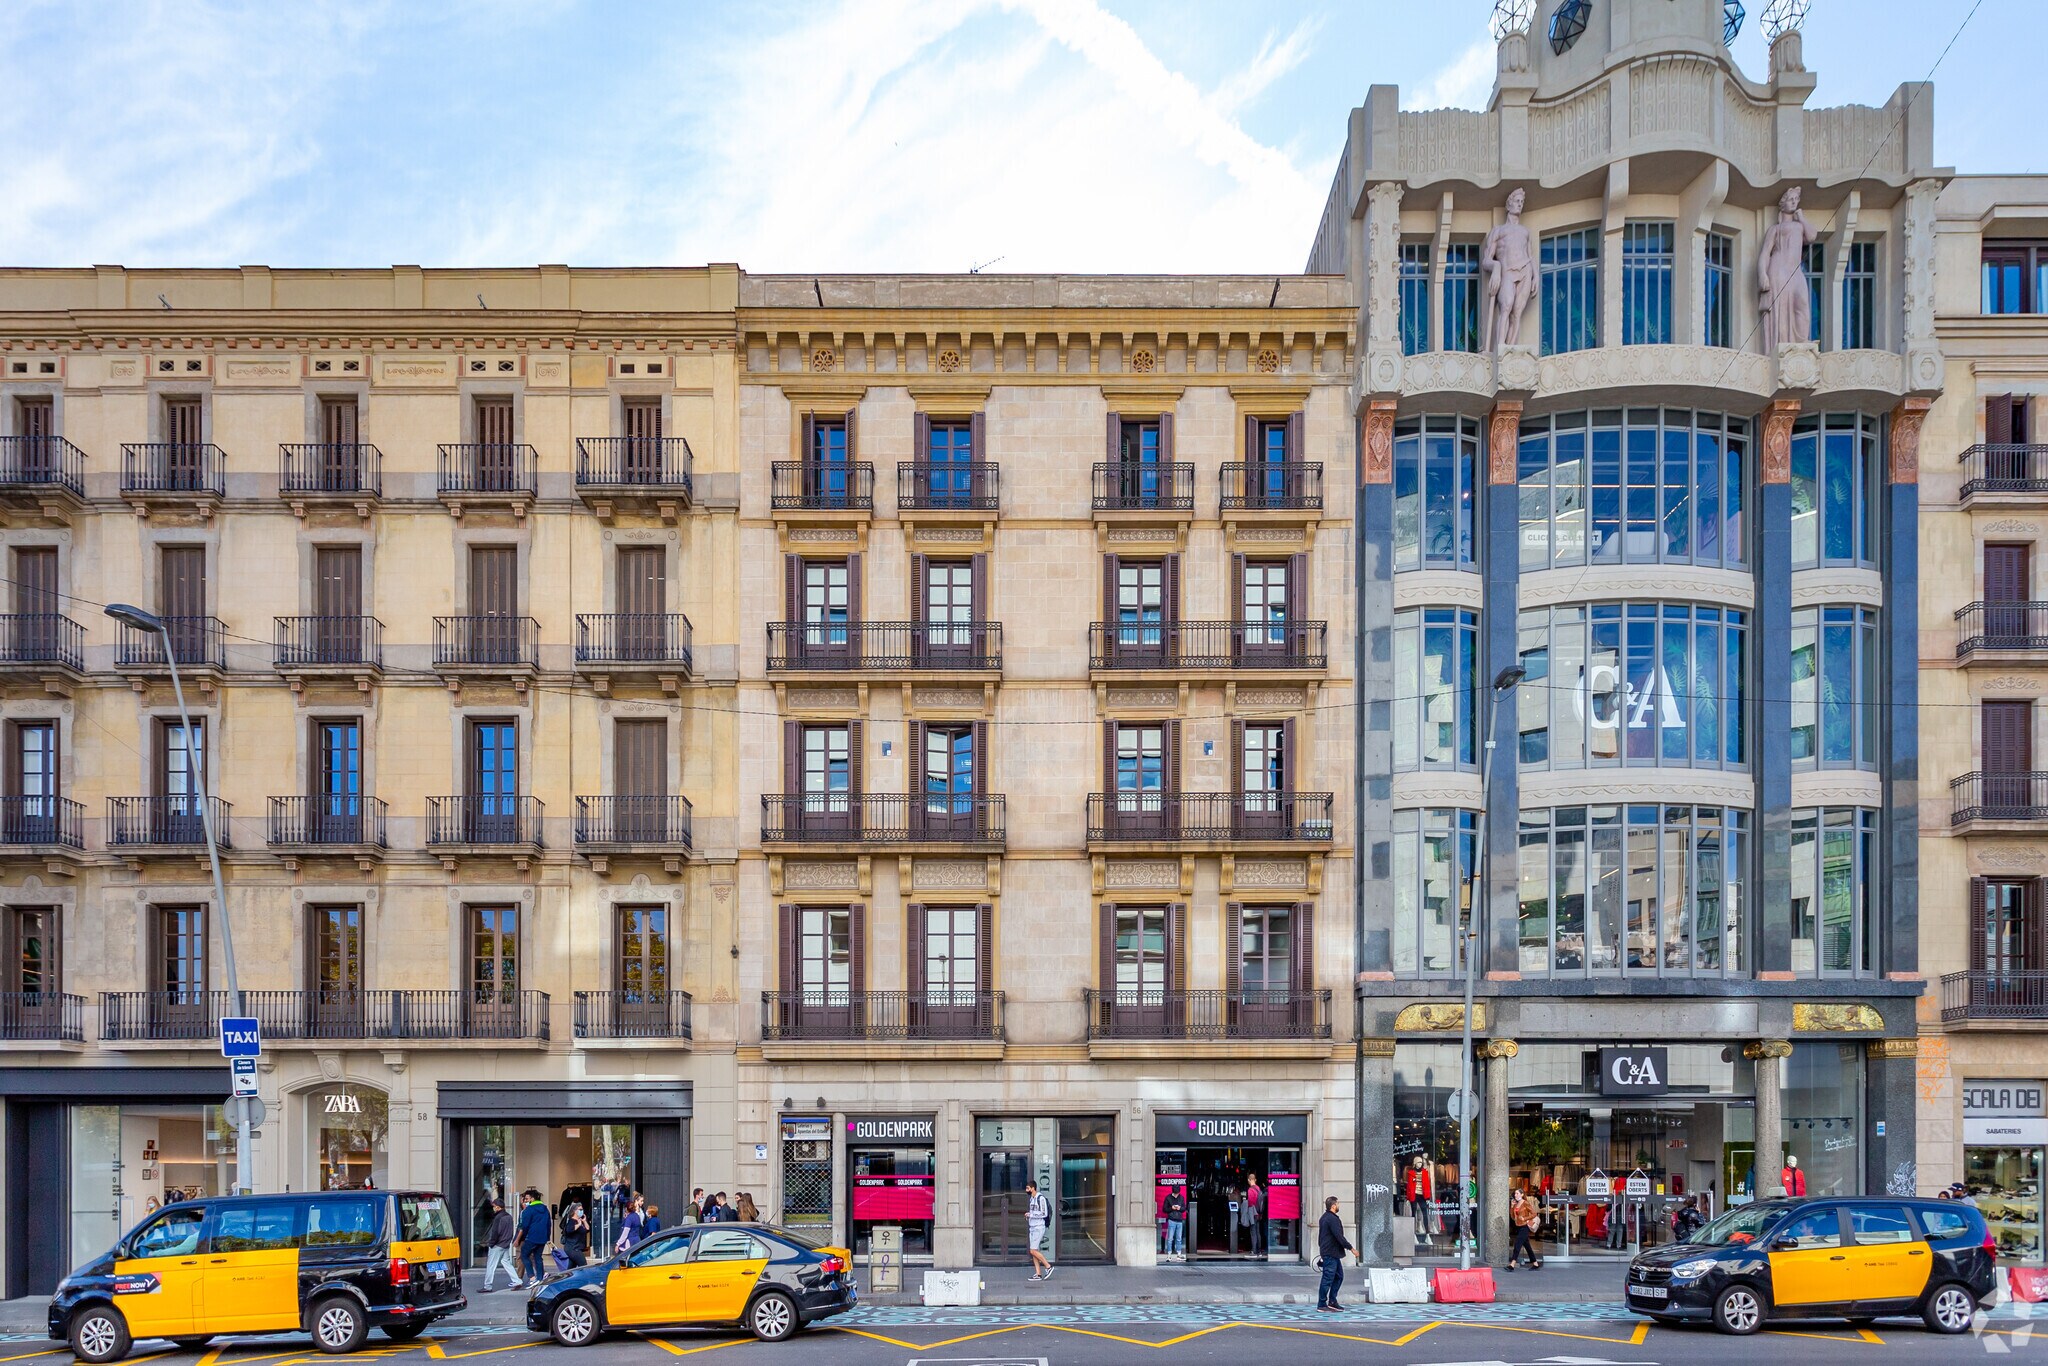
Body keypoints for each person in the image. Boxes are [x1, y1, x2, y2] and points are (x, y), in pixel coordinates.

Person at [1757, 185, 1819, 352]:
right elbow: (1765, 253)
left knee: (1802, 303)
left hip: (1795, 271)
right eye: (1790, 199)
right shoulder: (1775, 229)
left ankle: (1801, 341)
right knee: (1780, 310)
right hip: (1778, 271)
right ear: (1782, 204)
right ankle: (1782, 347)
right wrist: (1762, 274)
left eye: (1796, 199)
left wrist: (1802, 217)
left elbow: (1812, 236)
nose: (1794, 202)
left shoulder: (1800, 226)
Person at [1480, 187, 1536, 351]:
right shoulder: (1498, 231)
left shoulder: (1525, 232)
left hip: (1525, 270)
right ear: (1508, 204)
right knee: (1506, 306)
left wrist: (1536, 276)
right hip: (1507, 272)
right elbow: (1486, 260)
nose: (1520, 204)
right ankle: (1501, 348)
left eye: (1522, 202)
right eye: (1517, 201)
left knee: (1517, 313)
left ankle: (1511, 351)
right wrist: (1496, 267)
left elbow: (1530, 256)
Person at [1316, 1196, 1356, 1311]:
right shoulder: (1332, 1219)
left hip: (1331, 1253)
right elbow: (1339, 1236)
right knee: (1327, 1278)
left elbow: (1321, 1237)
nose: (1339, 1206)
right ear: (1333, 1206)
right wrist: (1351, 1248)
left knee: (1338, 1276)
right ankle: (1322, 1304)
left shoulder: (1324, 1217)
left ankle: (1332, 1301)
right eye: (1338, 1204)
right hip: (1330, 1253)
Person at [481, 1199, 522, 1292]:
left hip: (497, 1245)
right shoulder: (509, 1216)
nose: (493, 1208)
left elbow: (495, 1232)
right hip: (505, 1244)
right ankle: (517, 1281)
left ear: (498, 1207)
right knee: (506, 1263)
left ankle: (487, 1286)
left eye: (494, 1206)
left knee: (491, 1265)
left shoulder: (498, 1218)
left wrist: (491, 1243)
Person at [516, 1189, 551, 1284]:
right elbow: (549, 1224)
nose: (526, 1201)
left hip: (531, 1237)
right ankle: (540, 1278)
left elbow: (525, 1226)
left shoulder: (529, 1210)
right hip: (542, 1238)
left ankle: (532, 1277)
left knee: (524, 1255)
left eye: (527, 1199)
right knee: (538, 1257)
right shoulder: (545, 1209)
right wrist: (547, 1237)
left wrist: (524, 1236)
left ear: (532, 1198)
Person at [1025, 1180, 1053, 1281]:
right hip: (1032, 1227)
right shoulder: (1032, 1199)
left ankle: (1048, 1266)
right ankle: (1038, 1274)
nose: (1026, 1190)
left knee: (1032, 1250)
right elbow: (1034, 1212)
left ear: (1033, 1188)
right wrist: (1029, 1216)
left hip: (1038, 1227)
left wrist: (1031, 1215)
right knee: (1034, 1251)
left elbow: (1044, 1213)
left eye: (1028, 1188)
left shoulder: (1040, 1198)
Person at [1505, 1189, 1540, 1271]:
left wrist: (1525, 1218)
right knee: (1527, 1246)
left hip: (1525, 1227)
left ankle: (1512, 1264)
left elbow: (1534, 1214)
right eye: (1515, 1194)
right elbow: (1513, 1216)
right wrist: (1512, 1206)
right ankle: (1535, 1263)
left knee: (1517, 1245)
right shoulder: (1516, 1204)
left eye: (1517, 1193)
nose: (1515, 1195)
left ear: (1522, 1194)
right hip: (1518, 1226)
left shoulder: (1525, 1203)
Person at [1161, 1184, 1187, 1263]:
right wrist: (1171, 1208)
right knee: (1170, 1239)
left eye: (1177, 1193)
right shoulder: (1168, 1198)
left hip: (1179, 1220)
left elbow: (1184, 1208)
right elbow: (1164, 1209)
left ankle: (1179, 1254)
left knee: (1179, 1238)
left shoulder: (1181, 1198)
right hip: (1171, 1219)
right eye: (1175, 1193)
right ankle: (1169, 1255)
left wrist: (1180, 1208)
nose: (1176, 1195)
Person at [560, 1202, 591, 1268]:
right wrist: (578, 1225)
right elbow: (569, 1230)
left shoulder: (580, 1220)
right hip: (573, 1248)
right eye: (580, 1209)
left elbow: (587, 1229)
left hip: (577, 1247)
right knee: (583, 1266)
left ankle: (568, 1274)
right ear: (575, 1211)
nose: (582, 1211)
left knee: (571, 1268)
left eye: (582, 1209)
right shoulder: (572, 1221)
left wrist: (584, 1221)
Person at [1241, 1174, 1265, 1256]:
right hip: (1258, 1213)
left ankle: (1254, 1251)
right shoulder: (1258, 1188)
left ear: (1249, 1180)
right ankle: (1259, 1251)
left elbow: (1251, 1202)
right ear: (1255, 1179)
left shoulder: (1250, 1189)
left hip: (1253, 1213)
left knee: (1253, 1232)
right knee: (1258, 1232)